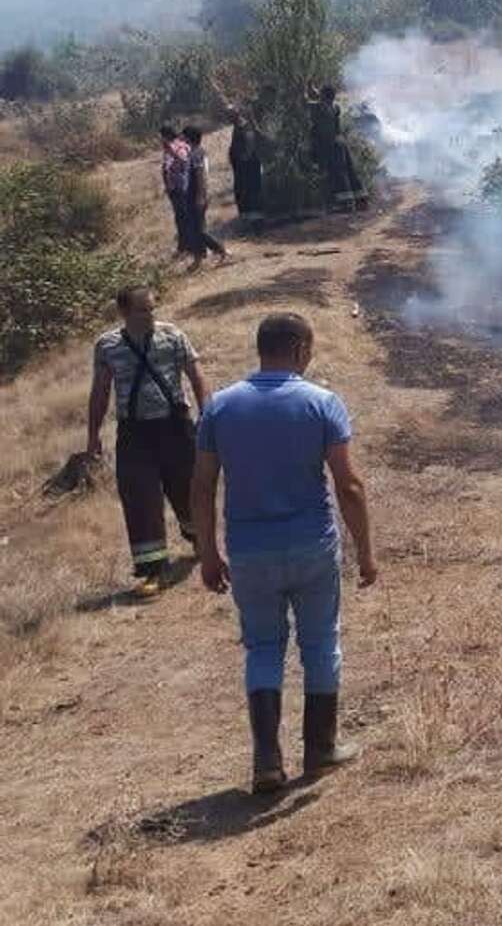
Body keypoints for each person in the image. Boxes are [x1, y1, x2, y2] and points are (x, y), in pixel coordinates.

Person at [191, 312, 376, 793]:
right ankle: (320, 748)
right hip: (312, 545)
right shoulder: (322, 404)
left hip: (250, 551)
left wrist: (208, 554)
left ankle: (267, 762)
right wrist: (366, 552)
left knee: (263, 648)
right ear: (298, 350)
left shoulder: (220, 408)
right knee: (319, 643)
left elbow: (202, 486)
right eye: (309, 350)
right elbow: (349, 486)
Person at [86, 286, 210, 599]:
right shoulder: (108, 345)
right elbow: (100, 392)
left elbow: (196, 377)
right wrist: (93, 435)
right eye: (143, 310)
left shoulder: (173, 336)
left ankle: (199, 538)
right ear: (124, 313)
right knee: (140, 498)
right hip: (134, 433)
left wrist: (208, 417)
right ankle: (152, 570)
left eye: (152, 308)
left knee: (186, 489)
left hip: (176, 428)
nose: (150, 315)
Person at [304, 83, 366, 213]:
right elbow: (318, 98)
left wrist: (303, 86)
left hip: (330, 145)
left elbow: (304, 102)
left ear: (323, 96)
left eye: (320, 93)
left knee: (338, 173)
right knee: (349, 170)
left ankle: (346, 204)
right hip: (340, 142)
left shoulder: (319, 107)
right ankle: (361, 199)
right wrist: (311, 86)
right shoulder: (335, 107)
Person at [179, 126, 229, 266]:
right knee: (194, 229)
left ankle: (220, 249)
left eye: (183, 136)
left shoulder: (196, 154)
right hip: (193, 194)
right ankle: (198, 258)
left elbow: (200, 176)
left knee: (198, 230)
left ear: (188, 137)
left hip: (196, 195)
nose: (181, 139)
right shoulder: (195, 152)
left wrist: (200, 196)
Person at [226, 105, 266, 228]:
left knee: (250, 192)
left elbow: (250, 141)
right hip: (241, 167)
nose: (228, 117)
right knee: (243, 191)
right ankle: (247, 220)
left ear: (237, 114)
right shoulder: (237, 126)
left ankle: (256, 222)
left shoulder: (245, 126)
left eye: (230, 114)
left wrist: (245, 157)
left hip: (248, 167)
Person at [157, 124, 192, 256]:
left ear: (166, 136)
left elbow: (184, 161)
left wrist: (171, 151)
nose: (159, 139)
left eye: (160, 136)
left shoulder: (179, 146)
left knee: (184, 218)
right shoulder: (168, 148)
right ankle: (183, 247)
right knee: (179, 218)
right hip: (174, 189)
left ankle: (188, 247)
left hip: (181, 188)